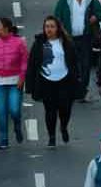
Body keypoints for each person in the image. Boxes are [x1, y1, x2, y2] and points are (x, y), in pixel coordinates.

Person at [26, 16, 80, 147]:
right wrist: (30, 84)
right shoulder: (39, 43)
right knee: (50, 110)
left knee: (65, 108)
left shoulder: (66, 43)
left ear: (57, 28)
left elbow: (74, 62)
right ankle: (51, 136)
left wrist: (77, 78)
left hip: (64, 80)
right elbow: (32, 64)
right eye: (47, 27)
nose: (49, 29)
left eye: (52, 26)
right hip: (46, 81)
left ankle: (63, 127)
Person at [54, 0, 101, 102]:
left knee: (85, 65)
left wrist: (95, 17)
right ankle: (70, 90)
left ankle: (82, 91)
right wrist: (60, 32)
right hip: (69, 38)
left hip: (85, 38)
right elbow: (56, 16)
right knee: (69, 64)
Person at [0, 17, 29, 150]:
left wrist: (22, 78)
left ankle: (17, 125)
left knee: (14, 110)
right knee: (2, 112)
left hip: (15, 82)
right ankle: (4, 140)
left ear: (6, 28)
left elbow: (24, 61)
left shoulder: (19, 43)